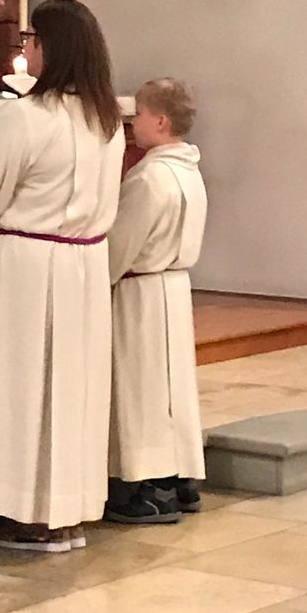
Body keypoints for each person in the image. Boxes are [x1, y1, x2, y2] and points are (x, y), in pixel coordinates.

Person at [0, 0, 125, 552]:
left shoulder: (25, 117)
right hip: (83, 263)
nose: (25, 50)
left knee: (19, 386)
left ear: (51, 48)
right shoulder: (107, 122)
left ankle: (25, 515)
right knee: (71, 389)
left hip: (24, 264)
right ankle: (67, 512)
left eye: (31, 41)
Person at [105, 78, 208, 524]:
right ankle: (181, 478)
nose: (132, 123)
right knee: (171, 390)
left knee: (140, 390)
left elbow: (120, 245)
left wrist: (95, 280)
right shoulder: (190, 170)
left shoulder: (149, 177)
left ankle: (144, 486)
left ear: (161, 121)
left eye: (139, 115)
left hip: (140, 292)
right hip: (174, 287)